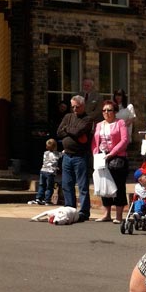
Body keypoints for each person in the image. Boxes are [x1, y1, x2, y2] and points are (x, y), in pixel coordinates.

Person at [56, 94, 94, 222]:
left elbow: (79, 131)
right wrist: (71, 130)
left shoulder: (88, 119)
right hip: (67, 155)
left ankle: (84, 212)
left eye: (77, 107)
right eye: (73, 107)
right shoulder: (68, 117)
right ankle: (70, 208)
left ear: (83, 106)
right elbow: (59, 132)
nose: (74, 110)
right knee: (67, 184)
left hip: (80, 156)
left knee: (82, 186)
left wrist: (68, 130)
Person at [94, 99, 130, 222]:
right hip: (102, 158)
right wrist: (95, 155)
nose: (106, 112)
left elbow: (124, 140)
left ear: (115, 112)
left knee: (118, 187)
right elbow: (95, 142)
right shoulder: (99, 125)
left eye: (109, 110)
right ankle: (106, 214)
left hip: (118, 158)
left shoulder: (120, 123)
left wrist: (112, 153)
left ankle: (119, 216)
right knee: (104, 185)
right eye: (104, 110)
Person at [28, 138, 59, 206]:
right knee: (49, 187)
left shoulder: (45, 153)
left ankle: (39, 198)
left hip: (43, 171)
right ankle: (47, 200)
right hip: (50, 172)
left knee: (41, 185)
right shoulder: (56, 154)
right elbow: (60, 156)